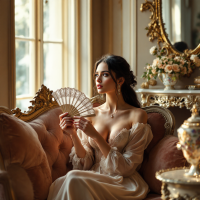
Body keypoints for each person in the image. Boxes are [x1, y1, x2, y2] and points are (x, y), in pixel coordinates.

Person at [47, 55, 153, 200]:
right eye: (97, 75)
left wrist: (96, 135)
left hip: (122, 182)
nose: (98, 79)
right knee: (72, 177)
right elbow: (84, 165)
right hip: (93, 176)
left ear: (120, 80)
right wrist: (73, 134)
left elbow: (127, 168)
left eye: (105, 75)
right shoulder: (92, 113)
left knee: (73, 179)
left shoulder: (137, 115)